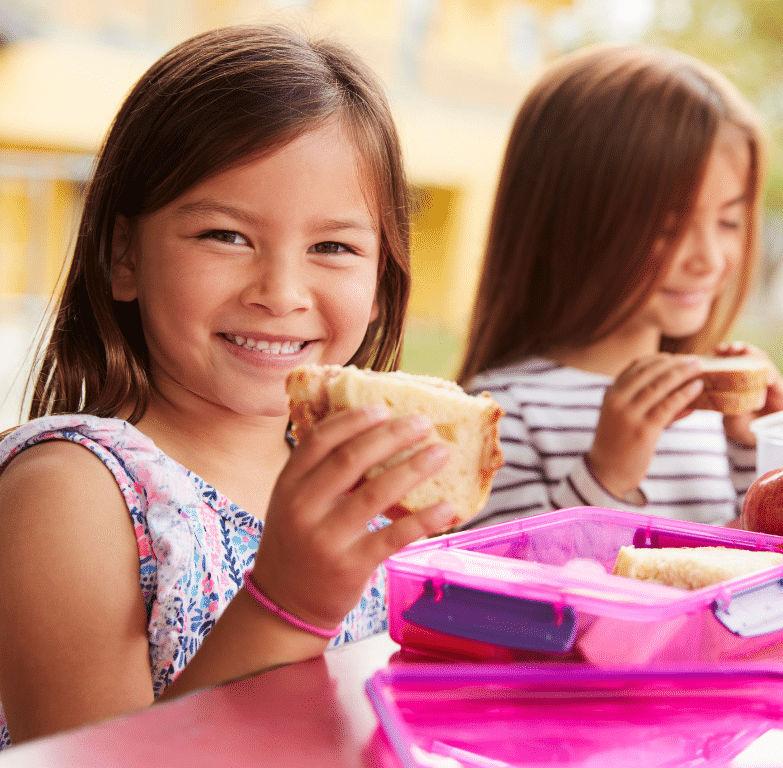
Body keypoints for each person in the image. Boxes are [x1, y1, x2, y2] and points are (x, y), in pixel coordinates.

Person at [0, 24, 458, 747]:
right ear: (124, 256)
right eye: (226, 236)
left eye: (332, 247)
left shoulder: (370, 486)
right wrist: (284, 608)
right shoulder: (70, 493)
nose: (280, 292)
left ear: (381, 281)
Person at [456, 44, 783, 530]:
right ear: (564, 223)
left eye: (728, 221)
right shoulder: (502, 413)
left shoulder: (707, 417)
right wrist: (605, 476)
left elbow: (754, 563)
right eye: (668, 226)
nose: (709, 259)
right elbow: (505, 591)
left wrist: (761, 450)